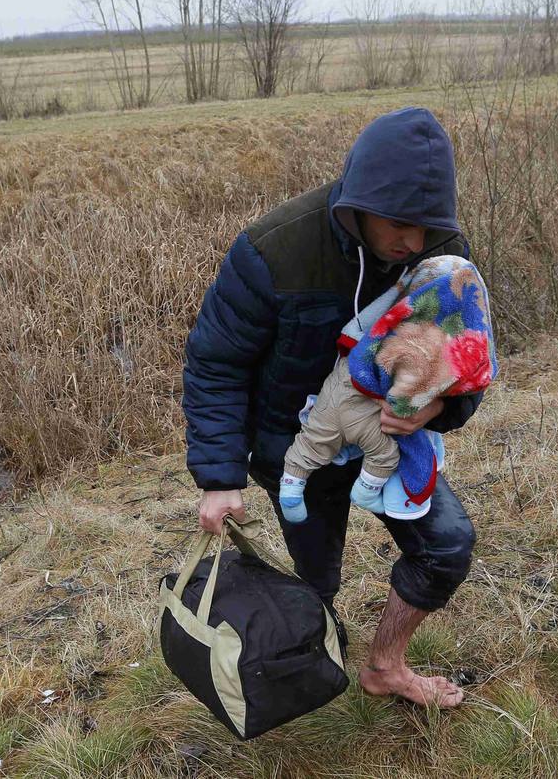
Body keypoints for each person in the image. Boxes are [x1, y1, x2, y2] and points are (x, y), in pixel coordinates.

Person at [182, 107, 486, 709]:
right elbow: (216, 362)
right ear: (359, 203)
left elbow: (464, 361)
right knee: (317, 582)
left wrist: (436, 413)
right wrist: (219, 478)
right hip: (297, 447)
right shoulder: (276, 250)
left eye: (426, 227)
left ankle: (384, 668)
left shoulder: (442, 257)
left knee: (447, 547)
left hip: (388, 442)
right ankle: (313, 663)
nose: (414, 243)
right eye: (400, 224)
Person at [279, 255, 496, 524]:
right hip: (364, 417)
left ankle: (290, 490)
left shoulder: (435, 257)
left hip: (329, 398)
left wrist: (440, 408)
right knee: (386, 455)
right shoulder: (421, 338)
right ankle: (365, 492)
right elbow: (406, 400)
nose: (410, 242)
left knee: (309, 446)